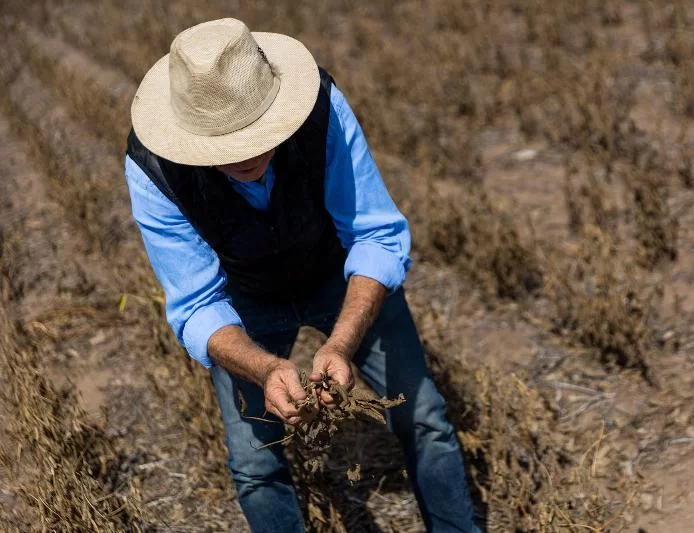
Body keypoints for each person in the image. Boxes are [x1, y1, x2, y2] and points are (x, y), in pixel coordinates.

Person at [123, 18, 478, 533]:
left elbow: (374, 236)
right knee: (254, 465)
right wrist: (267, 370)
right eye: (223, 144)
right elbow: (197, 304)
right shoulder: (153, 167)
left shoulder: (322, 110)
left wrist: (340, 344)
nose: (244, 154)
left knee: (425, 419)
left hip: (337, 273)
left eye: (254, 133)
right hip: (243, 298)